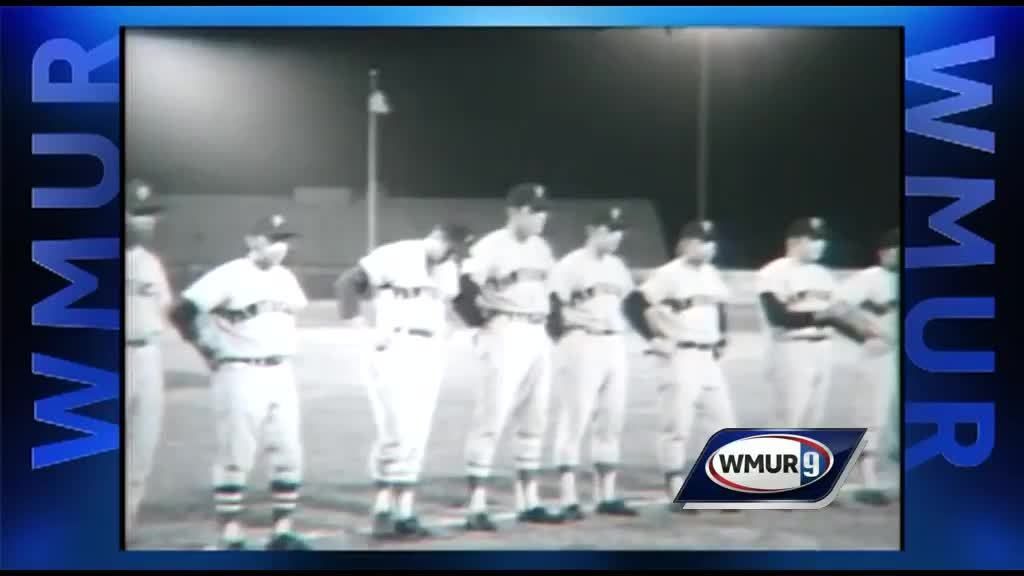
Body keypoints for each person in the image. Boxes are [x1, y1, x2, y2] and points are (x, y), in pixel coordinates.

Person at [170, 214, 310, 550]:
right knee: (236, 453)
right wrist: (206, 349)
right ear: (252, 240)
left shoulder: (286, 277)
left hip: (280, 373)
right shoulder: (229, 275)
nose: (280, 247)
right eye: (273, 238)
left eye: (284, 239)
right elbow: (181, 312)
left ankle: (283, 531)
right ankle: (231, 533)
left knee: (288, 452)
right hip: (239, 373)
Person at [335, 224, 473, 540]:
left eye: (457, 249)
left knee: (418, 431)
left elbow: (450, 303)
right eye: (450, 245)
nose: (453, 253)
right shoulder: (396, 253)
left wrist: (456, 326)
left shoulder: (448, 266)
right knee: (395, 430)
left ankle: (405, 512)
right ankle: (383, 508)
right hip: (395, 347)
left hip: (430, 351)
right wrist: (363, 330)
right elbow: (346, 284)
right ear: (436, 236)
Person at [453, 182, 563, 530]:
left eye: (543, 210)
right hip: (504, 332)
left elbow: (553, 294)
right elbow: (463, 288)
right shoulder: (491, 246)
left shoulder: (542, 248)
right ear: (515, 211)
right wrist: (479, 322)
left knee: (535, 418)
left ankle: (528, 499)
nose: (541, 216)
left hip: (536, 332)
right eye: (534, 210)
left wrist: (553, 333)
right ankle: (476, 505)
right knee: (492, 416)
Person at [624, 220, 735, 504]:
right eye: (701, 241)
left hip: (708, 358)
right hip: (679, 356)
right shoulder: (668, 274)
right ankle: (675, 482)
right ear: (685, 244)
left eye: (711, 241)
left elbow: (719, 307)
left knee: (723, 422)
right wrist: (652, 338)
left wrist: (722, 335)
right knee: (677, 423)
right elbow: (633, 304)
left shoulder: (712, 274)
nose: (709, 246)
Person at [548, 207, 636, 520]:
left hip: (613, 343)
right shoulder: (570, 265)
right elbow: (553, 309)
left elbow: (628, 303)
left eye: (619, 229)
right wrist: (567, 344)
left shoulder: (617, 267)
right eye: (610, 229)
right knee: (576, 418)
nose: (616, 235)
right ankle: (568, 496)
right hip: (581, 341)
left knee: (612, 419)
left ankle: (607, 495)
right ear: (592, 229)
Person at [756, 217, 839, 428]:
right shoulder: (773, 272)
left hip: (823, 349)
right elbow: (777, 317)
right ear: (794, 242)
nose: (821, 244)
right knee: (787, 419)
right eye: (812, 239)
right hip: (791, 351)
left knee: (814, 419)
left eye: (822, 239)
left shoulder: (824, 275)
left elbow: (837, 314)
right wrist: (819, 316)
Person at [836, 228, 899, 505]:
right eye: (896, 248)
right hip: (880, 355)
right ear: (884, 252)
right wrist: (866, 334)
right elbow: (838, 307)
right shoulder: (871, 278)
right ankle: (868, 478)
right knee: (872, 415)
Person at [125, 179, 172, 541]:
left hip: (148, 356)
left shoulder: (152, 263)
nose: (147, 222)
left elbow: (166, 311)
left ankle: (127, 519)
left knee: (143, 442)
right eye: (138, 214)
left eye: (150, 215)